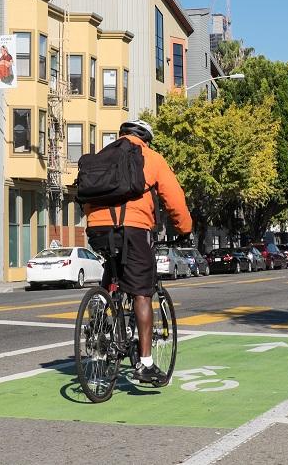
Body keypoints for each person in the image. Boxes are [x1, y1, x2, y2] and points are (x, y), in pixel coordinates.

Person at [84, 119, 192, 385]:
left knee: (113, 269)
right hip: (134, 230)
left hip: (98, 230)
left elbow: (86, 194)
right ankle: (145, 364)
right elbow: (174, 198)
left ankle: (102, 307)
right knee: (142, 294)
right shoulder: (150, 157)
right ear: (145, 138)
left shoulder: (101, 157)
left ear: (121, 135)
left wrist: (96, 222)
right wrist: (184, 229)